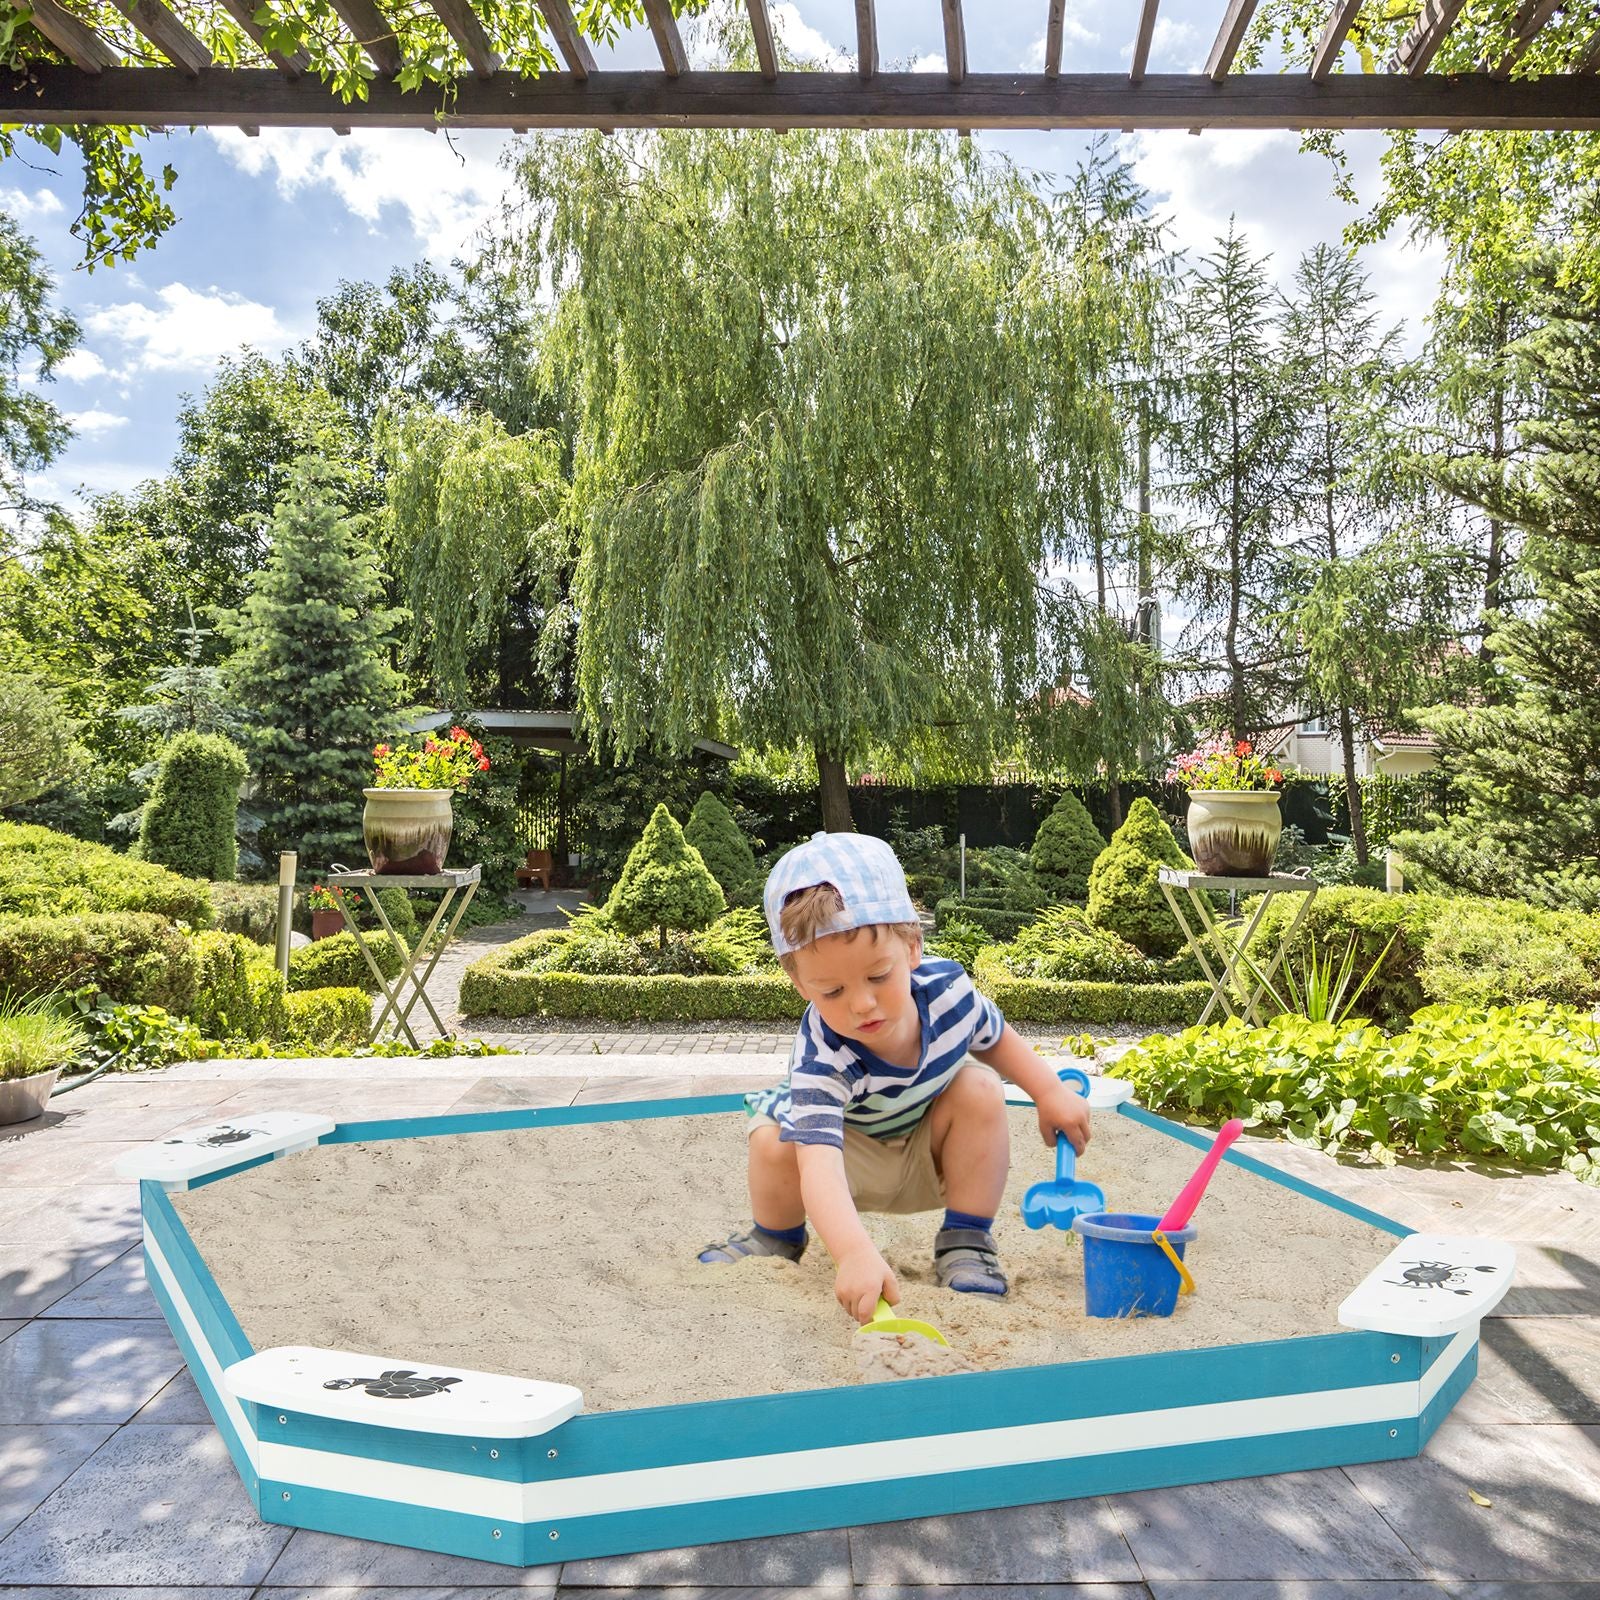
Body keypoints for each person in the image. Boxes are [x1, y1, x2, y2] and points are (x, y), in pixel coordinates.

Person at [698, 830, 1091, 1323]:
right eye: (832, 990)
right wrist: (852, 1254)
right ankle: (776, 1235)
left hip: (930, 1155)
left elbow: (996, 1039)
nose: (861, 1004)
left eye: (878, 976)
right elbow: (818, 1164)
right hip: (846, 1164)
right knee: (775, 1136)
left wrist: (1049, 1091)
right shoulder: (824, 1051)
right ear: (799, 984)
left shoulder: (949, 994)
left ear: (911, 947)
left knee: (980, 1088)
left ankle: (966, 1239)